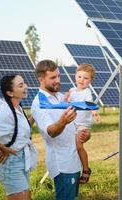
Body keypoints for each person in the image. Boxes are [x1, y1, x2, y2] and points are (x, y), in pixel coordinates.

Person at [31, 59, 90, 200]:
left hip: (73, 160)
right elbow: (50, 131)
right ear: (41, 79)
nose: (58, 80)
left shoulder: (60, 96)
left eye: (58, 76)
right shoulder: (39, 103)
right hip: (63, 164)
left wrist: (84, 134)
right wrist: (63, 122)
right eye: (53, 78)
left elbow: (73, 125)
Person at [0, 75, 37, 200]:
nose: (26, 86)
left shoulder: (17, 108)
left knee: (27, 197)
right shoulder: (5, 112)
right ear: (10, 92)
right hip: (11, 164)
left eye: (24, 83)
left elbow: (21, 131)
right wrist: (3, 148)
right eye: (20, 85)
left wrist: (35, 116)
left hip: (21, 160)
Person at [63, 63, 101, 184]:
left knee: (79, 146)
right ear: (75, 76)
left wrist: (95, 113)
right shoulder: (72, 91)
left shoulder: (87, 92)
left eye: (86, 78)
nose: (82, 80)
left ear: (90, 80)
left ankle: (86, 169)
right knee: (73, 147)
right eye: (79, 77)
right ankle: (73, 168)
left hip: (83, 124)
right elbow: (64, 103)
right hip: (72, 123)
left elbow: (90, 103)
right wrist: (66, 97)